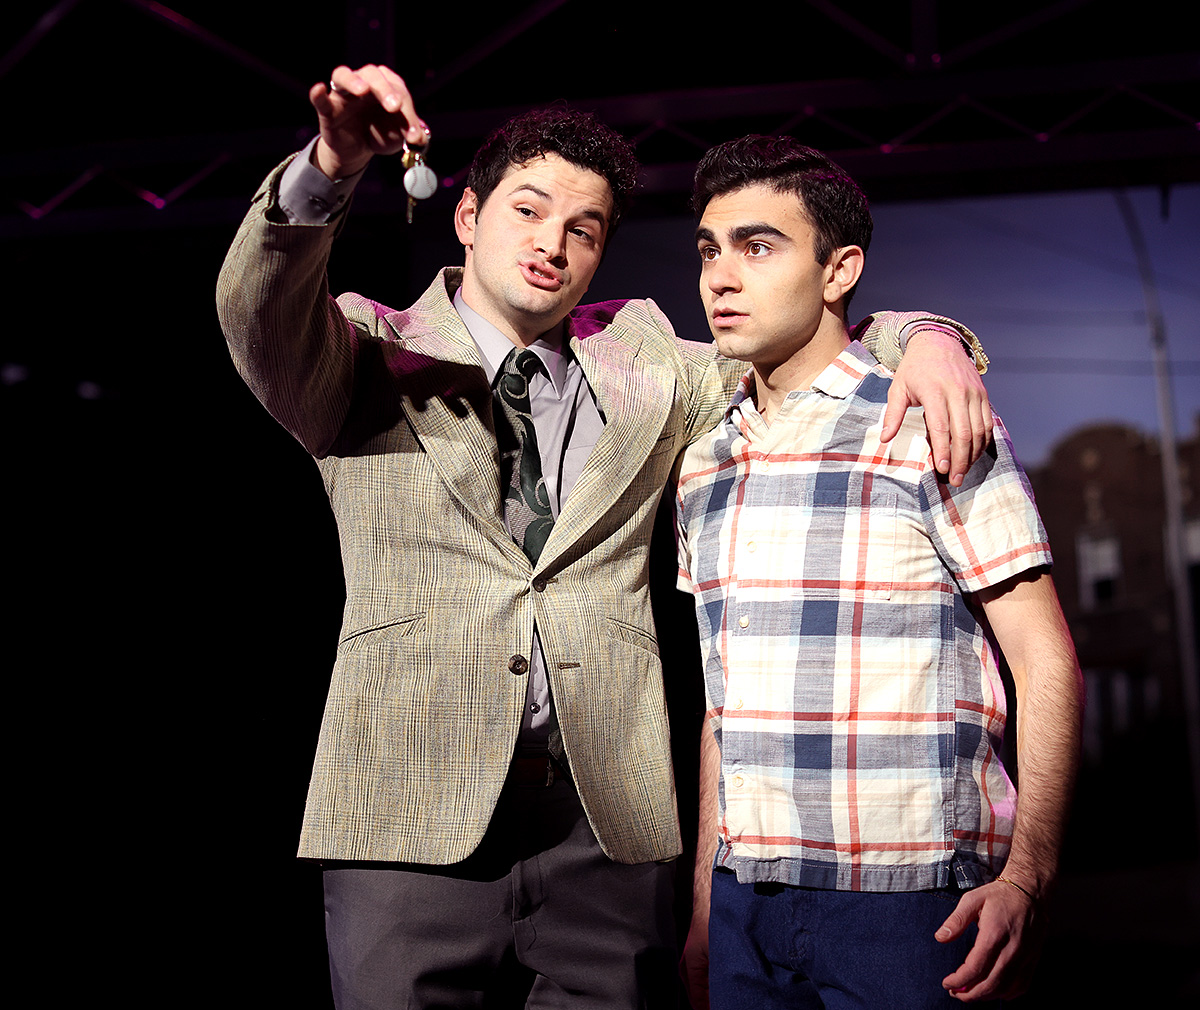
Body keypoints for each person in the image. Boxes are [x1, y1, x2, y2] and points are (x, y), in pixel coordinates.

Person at [216, 64, 993, 1009]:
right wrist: (330, 166)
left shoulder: (648, 361)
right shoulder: (364, 348)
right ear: (467, 218)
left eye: (582, 231)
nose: (552, 244)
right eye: (528, 212)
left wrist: (927, 335)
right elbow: (255, 311)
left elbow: (800, 341)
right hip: (407, 817)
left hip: (604, 828)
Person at [674, 135, 1084, 1009]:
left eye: (758, 246)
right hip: (748, 905)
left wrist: (1030, 875)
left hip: (913, 907)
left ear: (839, 269)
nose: (719, 274)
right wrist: (709, 898)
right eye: (709, 249)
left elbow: (1045, 659)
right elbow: (724, 704)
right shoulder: (705, 462)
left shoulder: (929, 423)